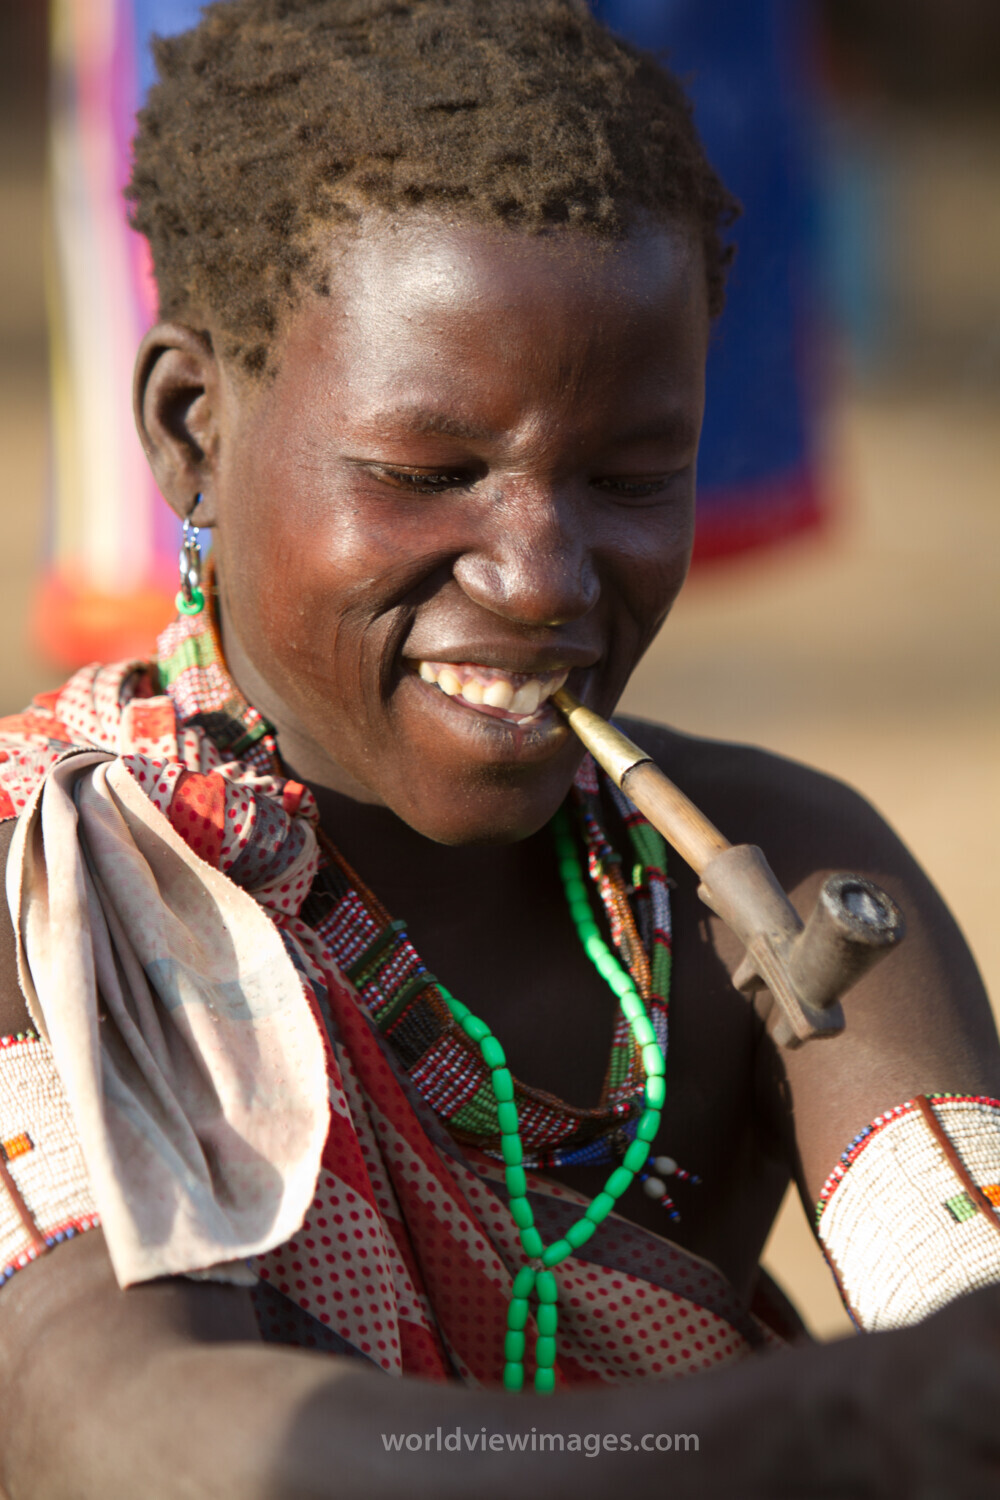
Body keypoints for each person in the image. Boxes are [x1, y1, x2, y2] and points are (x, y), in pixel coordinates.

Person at [1, 3, 999, 1495]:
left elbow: (959, 1289)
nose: (542, 578)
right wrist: (806, 1431)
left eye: (630, 477)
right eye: (430, 474)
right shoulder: (56, 881)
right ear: (189, 426)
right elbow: (122, 1429)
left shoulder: (755, 875)